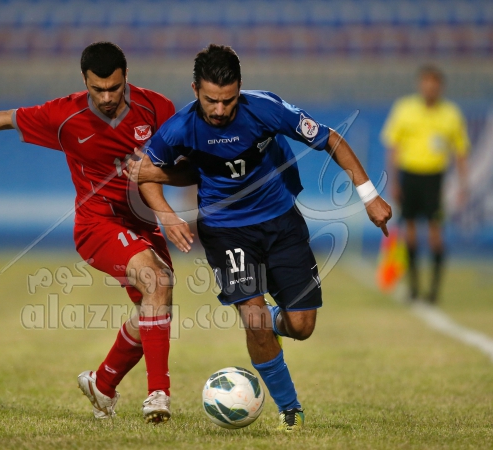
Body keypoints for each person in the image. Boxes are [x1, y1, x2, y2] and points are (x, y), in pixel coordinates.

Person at [0, 41, 195, 424]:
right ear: (85, 81)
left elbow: (183, 165)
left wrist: (165, 197)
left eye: (114, 88)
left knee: (154, 305)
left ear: (126, 76)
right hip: (97, 225)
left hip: (142, 224)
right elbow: (7, 118)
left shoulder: (157, 108)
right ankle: (158, 394)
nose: (107, 97)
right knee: (156, 281)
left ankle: (102, 384)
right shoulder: (64, 115)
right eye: (98, 89)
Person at [126, 44, 392, 431]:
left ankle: (268, 319)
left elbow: (330, 138)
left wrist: (369, 196)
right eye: (211, 100)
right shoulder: (181, 127)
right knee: (253, 319)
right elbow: (145, 173)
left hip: (281, 222)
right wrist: (166, 215)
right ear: (195, 89)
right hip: (225, 229)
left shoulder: (266, 109)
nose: (220, 110)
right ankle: (290, 408)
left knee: (302, 326)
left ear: (240, 88)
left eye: (228, 100)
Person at [381, 65, 469, 303]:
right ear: (420, 85)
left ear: (441, 87)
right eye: (426, 83)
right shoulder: (404, 109)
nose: (430, 88)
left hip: (434, 178)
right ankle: (414, 287)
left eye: (434, 84)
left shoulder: (451, 113)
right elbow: (393, 147)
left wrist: (463, 185)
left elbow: (460, 151)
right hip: (410, 175)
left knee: (435, 234)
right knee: (409, 232)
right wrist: (394, 181)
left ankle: (434, 290)